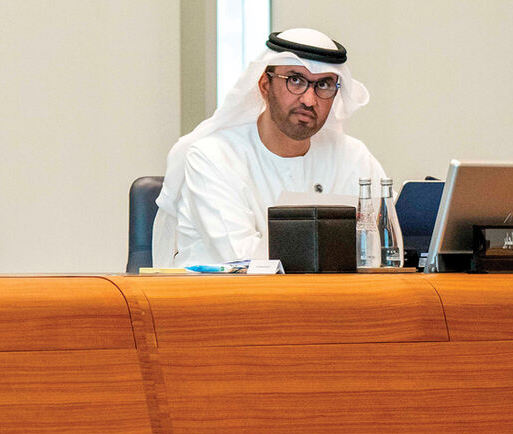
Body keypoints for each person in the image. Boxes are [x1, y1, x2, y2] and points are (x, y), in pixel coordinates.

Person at [153, 27, 387, 268]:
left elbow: (385, 247)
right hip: (229, 301)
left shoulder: (353, 157)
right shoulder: (214, 157)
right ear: (265, 85)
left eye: (324, 85)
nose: (309, 99)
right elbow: (243, 262)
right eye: (295, 81)